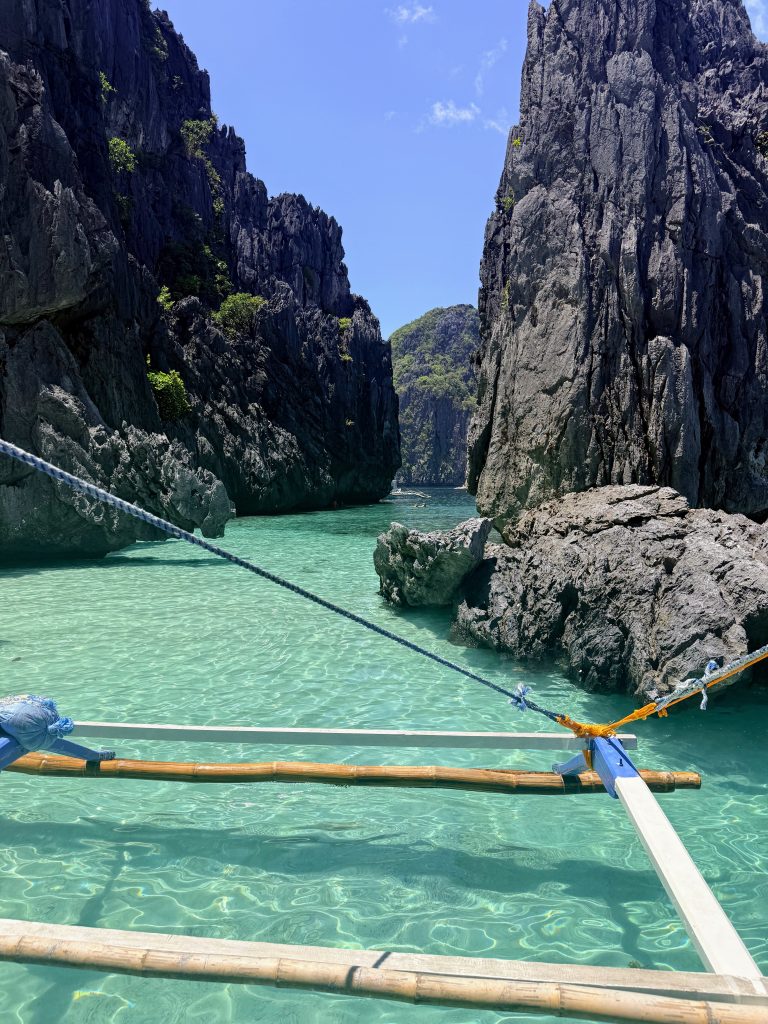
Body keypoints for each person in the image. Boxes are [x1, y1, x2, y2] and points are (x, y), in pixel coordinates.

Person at [0, 694, 115, 770]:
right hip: (43, 716)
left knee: (21, 743)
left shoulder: (13, 738)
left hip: (28, 723)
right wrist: (96, 755)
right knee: (33, 742)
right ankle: (98, 755)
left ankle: (96, 755)